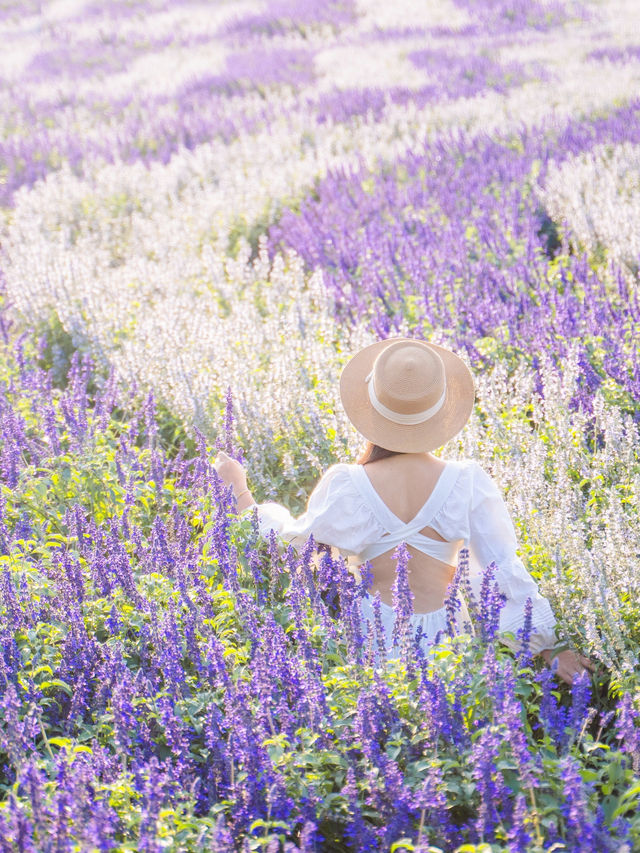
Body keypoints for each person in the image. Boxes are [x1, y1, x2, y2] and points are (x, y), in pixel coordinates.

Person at [215, 337, 593, 684]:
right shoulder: (467, 480)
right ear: (441, 409)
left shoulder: (348, 482)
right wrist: (547, 645)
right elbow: (504, 567)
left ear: (371, 408)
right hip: (451, 641)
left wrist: (240, 490)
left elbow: (290, 545)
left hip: (372, 637)